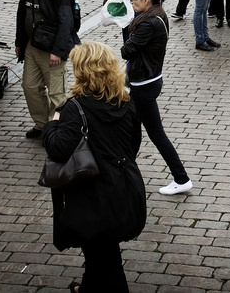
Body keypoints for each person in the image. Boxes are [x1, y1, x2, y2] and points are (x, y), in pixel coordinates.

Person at [42, 42, 147, 292]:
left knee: (104, 258)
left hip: (94, 196)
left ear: (82, 71)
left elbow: (57, 148)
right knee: (102, 251)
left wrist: (51, 125)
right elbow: (133, 144)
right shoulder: (125, 100)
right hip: (125, 187)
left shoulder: (75, 108)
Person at [119, 0, 193, 196]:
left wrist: (124, 26)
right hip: (148, 80)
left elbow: (127, 50)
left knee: (155, 133)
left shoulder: (149, 22)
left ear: (146, 0)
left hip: (144, 84)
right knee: (132, 130)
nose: (131, 3)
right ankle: (124, 171)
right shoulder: (155, 14)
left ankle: (181, 178)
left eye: (134, 0)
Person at [16, 0, 79, 139]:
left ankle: (57, 131)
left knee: (56, 94)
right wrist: (20, 42)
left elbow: (66, 21)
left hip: (52, 50)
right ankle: (42, 125)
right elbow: (21, 16)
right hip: (32, 47)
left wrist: (58, 51)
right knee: (30, 87)